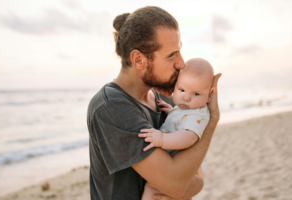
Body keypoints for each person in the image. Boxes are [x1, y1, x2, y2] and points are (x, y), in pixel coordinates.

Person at [87, 6, 221, 200]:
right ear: (139, 59)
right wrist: (212, 119)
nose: (182, 63)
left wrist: (194, 183)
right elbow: (177, 184)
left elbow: (194, 172)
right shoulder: (111, 107)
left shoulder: (168, 99)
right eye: (171, 55)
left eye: (179, 51)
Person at [139, 58, 214, 199]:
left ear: (210, 95)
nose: (186, 98)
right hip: (171, 166)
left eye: (196, 93)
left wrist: (162, 139)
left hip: (174, 166)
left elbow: (188, 137)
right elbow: (181, 119)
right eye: (181, 90)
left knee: (151, 191)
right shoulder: (187, 108)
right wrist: (172, 111)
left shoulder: (199, 114)